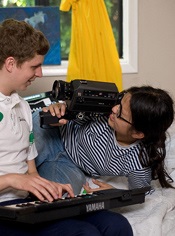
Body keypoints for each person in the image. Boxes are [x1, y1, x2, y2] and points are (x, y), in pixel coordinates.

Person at [0, 18, 133, 236]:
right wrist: (12, 179)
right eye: (35, 66)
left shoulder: (22, 107)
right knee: (82, 233)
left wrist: (49, 187)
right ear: (11, 64)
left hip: (26, 205)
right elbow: (21, 178)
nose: (40, 74)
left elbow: (31, 171)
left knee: (116, 224)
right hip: (4, 211)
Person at [33, 85, 174, 195]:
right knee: (31, 137)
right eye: (119, 103)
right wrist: (60, 109)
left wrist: (115, 192)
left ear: (138, 133)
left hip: (70, 165)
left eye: (120, 113)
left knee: (63, 194)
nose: (113, 109)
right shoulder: (104, 111)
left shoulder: (137, 162)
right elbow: (69, 111)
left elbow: (141, 194)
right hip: (55, 133)